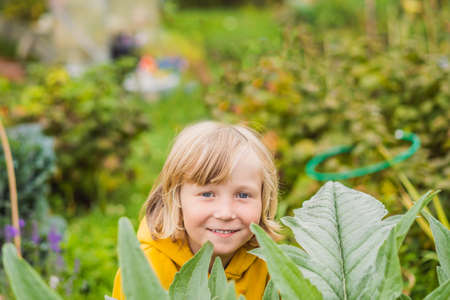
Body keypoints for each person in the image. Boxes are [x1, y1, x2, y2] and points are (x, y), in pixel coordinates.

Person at [112, 121, 281, 300]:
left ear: (264, 200)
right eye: (207, 194)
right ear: (175, 197)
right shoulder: (144, 270)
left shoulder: (271, 267)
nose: (225, 213)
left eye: (243, 195)